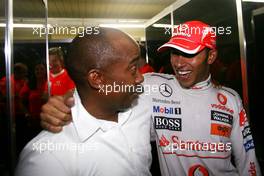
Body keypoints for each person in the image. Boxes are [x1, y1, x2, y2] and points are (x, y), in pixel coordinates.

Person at [39, 21, 261, 175]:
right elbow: (102, 85)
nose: (179, 63)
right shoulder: (153, 85)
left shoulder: (230, 99)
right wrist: (64, 102)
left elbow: (247, 160)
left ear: (211, 56)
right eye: (175, 53)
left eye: (190, 54)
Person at [15, 28, 152, 176]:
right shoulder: (47, 157)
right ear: (97, 78)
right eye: (132, 69)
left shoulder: (143, 101)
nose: (140, 78)